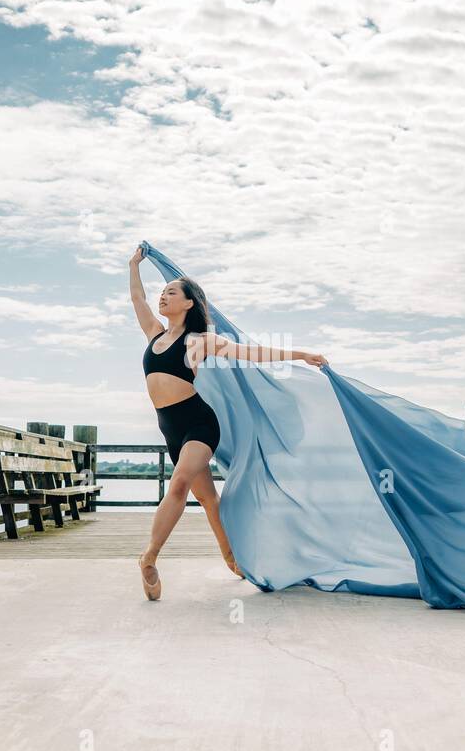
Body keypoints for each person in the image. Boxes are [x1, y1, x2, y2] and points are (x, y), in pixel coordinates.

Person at [129, 245, 328, 599]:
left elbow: (252, 353)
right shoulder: (154, 335)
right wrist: (134, 265)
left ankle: (149, 557)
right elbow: (137, 297)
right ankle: (232, 558)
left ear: (189, 303)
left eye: (171, 292)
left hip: (198, 424)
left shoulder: (200, 341)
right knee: (207, 498)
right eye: (162, 292)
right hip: (171, 429)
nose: (162, 296)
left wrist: (301, 355)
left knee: (178, 485)